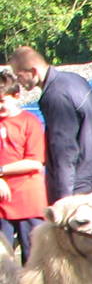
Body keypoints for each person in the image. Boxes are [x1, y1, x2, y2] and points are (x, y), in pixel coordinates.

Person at [8, 45, 92, 210]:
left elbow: (64, 149)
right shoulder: (72, 79)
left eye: (19, 76)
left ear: (33, 71)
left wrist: (64, 198)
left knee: (88, 226)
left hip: (90, 180)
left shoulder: (54, 95)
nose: (18, 82)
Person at [0, 69, 47, 259]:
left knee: (33, 259)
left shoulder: (30, 122)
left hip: (28, 200)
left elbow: (35, 162)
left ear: (16, 96)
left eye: (2, 100)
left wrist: (1, 171)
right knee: (3, 261)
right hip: (2, 202)